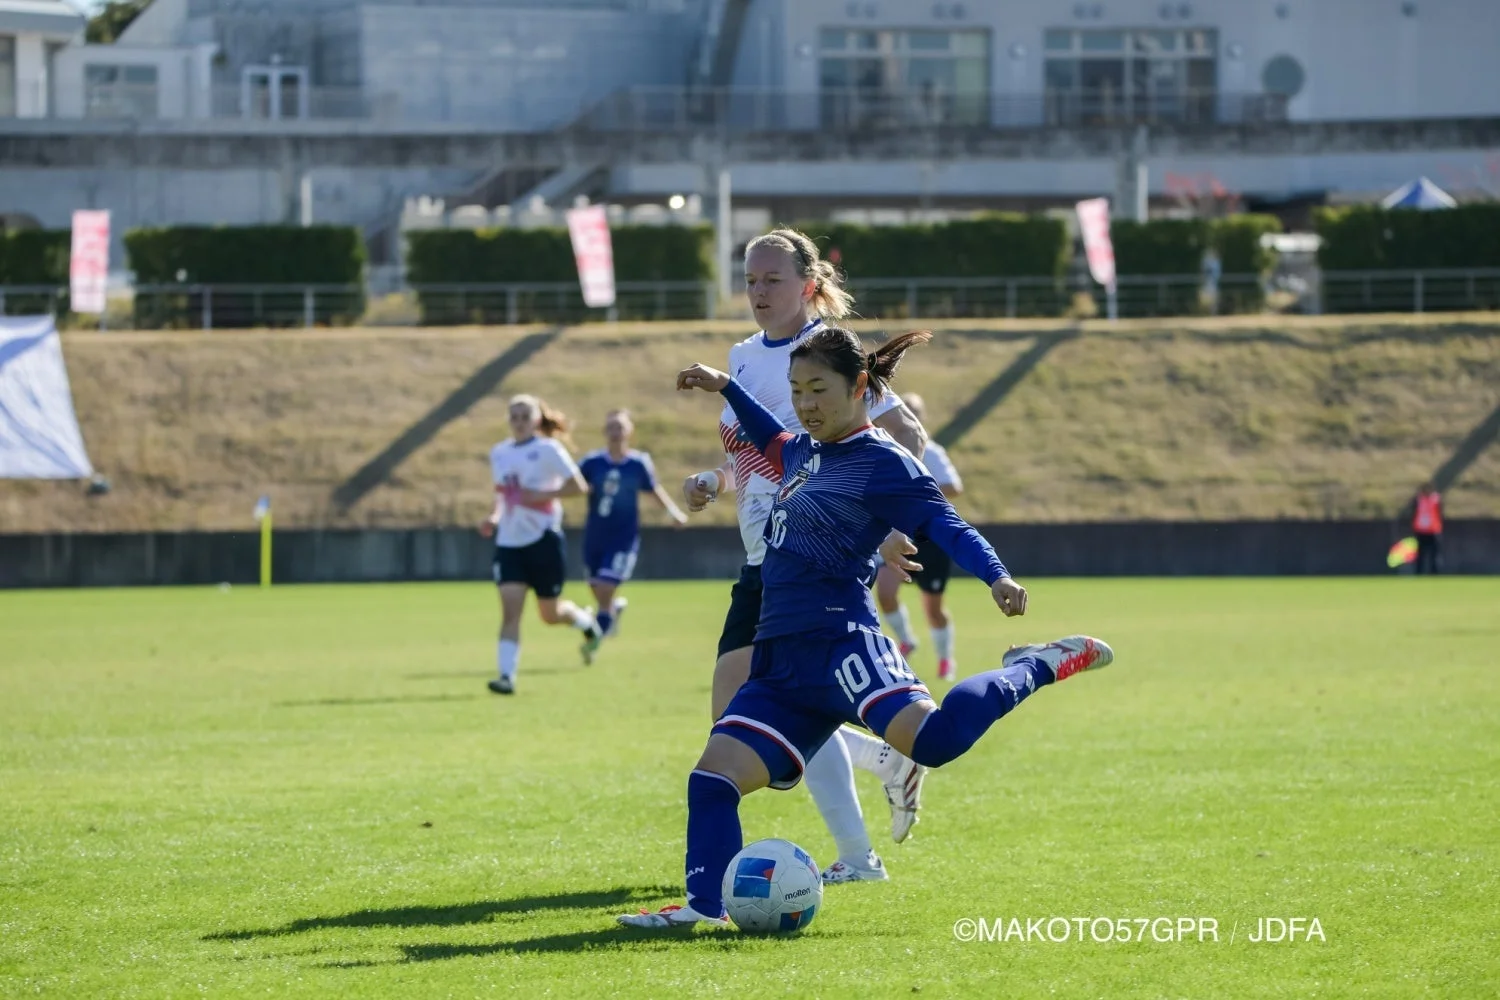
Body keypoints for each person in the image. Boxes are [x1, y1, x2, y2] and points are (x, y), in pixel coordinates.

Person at [620, 326, 1113, 929]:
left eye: (818, 389)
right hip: (782, 664)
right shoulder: (805, 451)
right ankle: (705, 909)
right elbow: (770, 438)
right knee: (712, 780)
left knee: (934, 742)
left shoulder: (884, 462)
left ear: (858, 387)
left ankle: (1033, 666)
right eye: (797, 390)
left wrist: (997, 576)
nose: (806, 404)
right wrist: (726, 386)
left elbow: (947, 524)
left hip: (842, 645)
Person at [680, 228, 933, 884]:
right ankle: (882, 774)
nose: (759, 291)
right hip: (764, 557)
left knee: (748, 720)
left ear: (809, 285)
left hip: (812, 559)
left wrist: (877, 519)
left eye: (773, 279)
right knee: (739, 717)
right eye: (750, 280)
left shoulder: (826, 351)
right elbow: (763, 454)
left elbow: (907, 434)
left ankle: (860, 848)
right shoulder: (743, 357)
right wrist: (715, 480)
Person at [479, 394, 602, 695]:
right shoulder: (499, 453)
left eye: (525, 416)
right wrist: (494, 518)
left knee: (549, 614)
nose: (519, 422)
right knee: (510, 612)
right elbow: (502, 495)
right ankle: (506, 677)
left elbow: (579, 486)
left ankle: (586, 622)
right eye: (514, 416)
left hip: (543, 540)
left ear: (536, 420)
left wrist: (540, 496)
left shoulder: (548, 449)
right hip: (509, 543)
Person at [874, 393, 965, 680]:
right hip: (897, 537)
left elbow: (954, 487)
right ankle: (906, 640)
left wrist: (919, 490)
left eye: (914, 411)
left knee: (933, 609)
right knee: (885, 592)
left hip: (931, 541)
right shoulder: (883, 450)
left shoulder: (932, 452)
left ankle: (945, 659)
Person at [578, 409, 689, 644]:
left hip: (622, 537)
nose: (615, 432)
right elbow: (573, 484)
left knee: (606, 586)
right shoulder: (592, 463)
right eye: (611, 427)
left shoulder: (638, 463)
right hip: (595, 535)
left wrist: (673, 513)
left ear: (629, 431)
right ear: (604, 431)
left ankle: (597, 637)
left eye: (620, 427)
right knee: (596, 587)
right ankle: (612, 610)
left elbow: (653, 490)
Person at [1412, 481, 1444, 575]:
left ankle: (1435, 573)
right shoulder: (1419, 500)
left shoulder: (1436, 499)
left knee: (1435, 554)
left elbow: (1440, 512)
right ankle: (1419, 573)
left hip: (1433, 530)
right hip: (1421, 530)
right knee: (1420, 555)